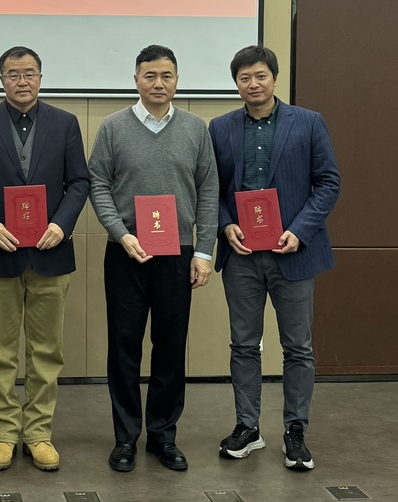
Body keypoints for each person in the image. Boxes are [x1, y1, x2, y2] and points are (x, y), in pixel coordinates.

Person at [0, 46, 89, 472]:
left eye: (29, 73)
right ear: (2, 80)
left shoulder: (65, 123)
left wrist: (62, 224)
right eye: (13, 74)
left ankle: (38, 433)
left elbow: (79, 181)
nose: (22, 81)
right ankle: (3, 433)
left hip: (52, 252)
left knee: (47, 351)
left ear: (40, 78)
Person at [209, 45, 340, 471]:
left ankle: (295, 431)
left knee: (298, 347)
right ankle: (247, 427)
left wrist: (300, 231)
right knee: (243, 344)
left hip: (293, 253)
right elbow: (212, 188)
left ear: (275, 78)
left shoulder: (308, 122)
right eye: (245, 78)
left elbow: (328, 183)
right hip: (242, 254)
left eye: (260, 76)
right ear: (236, 83)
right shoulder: (220, 128)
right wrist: (225, 225)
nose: (253, 84)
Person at [89, 44, 218, 474]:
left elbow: (209, 191)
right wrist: (121, 233)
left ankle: (163, 435)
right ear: (136, 80)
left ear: (177, 81)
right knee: (123, 347)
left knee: (170, 347)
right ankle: (125, 437)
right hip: (126, 252)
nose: (158, 83)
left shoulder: (196, 129)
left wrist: (203, 251)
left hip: (177, 254)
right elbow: (98, 184)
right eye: (150, 76)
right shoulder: (112, 127)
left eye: (166, 76)